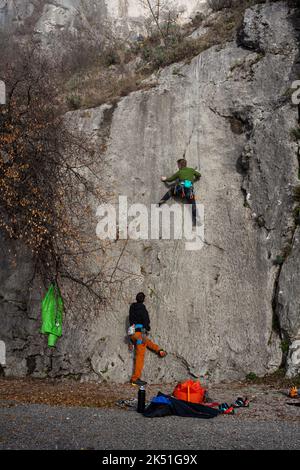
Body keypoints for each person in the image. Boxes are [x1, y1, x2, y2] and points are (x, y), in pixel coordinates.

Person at [128, 292, 167, 386]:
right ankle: (135, 379)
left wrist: (131, 339)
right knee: (140, 356)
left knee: (146, 342)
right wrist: (145, 329)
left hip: (133, 334)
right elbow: (146, 321)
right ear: (143, 299)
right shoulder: (142, 308)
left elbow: (131, 321)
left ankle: (159, 350)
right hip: (140, 334)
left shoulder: (132, 308)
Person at [159, 159, 201, 226]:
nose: (178, 166)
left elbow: (170, 179)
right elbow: (199, 175)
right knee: (193, 204)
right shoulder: (191, 170)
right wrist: (193, 179)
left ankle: (161, 202)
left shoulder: (180, 172)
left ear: (180, 165)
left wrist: (165, 179)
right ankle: (196, 220)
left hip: (181, 190)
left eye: (178, 165)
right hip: (189, 191)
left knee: (171, 191)